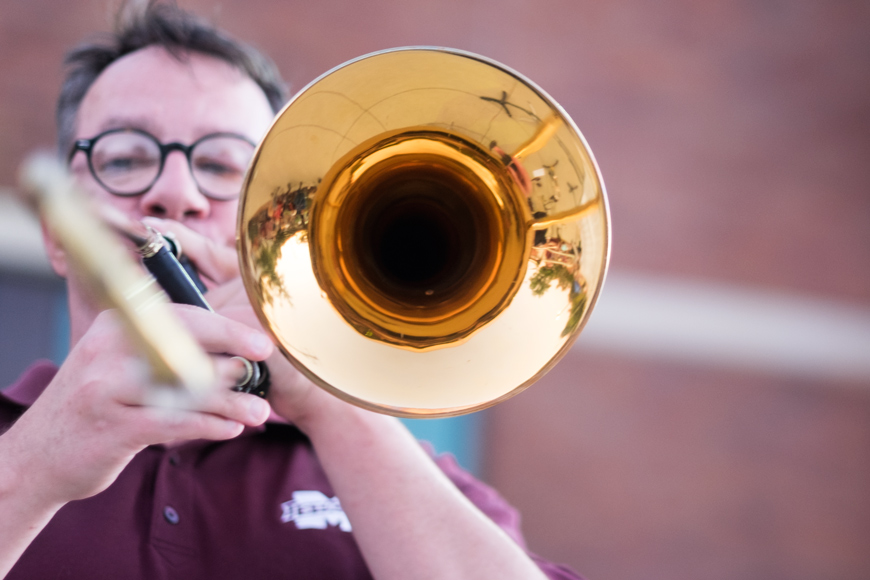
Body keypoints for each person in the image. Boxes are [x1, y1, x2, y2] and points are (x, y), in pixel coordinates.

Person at [0, 2, 584, 579]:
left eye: (225, 167)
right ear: (58, 236)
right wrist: (30, 467)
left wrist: (332, 408)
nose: (177, 193)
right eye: (124, 159)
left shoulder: (408, 476)